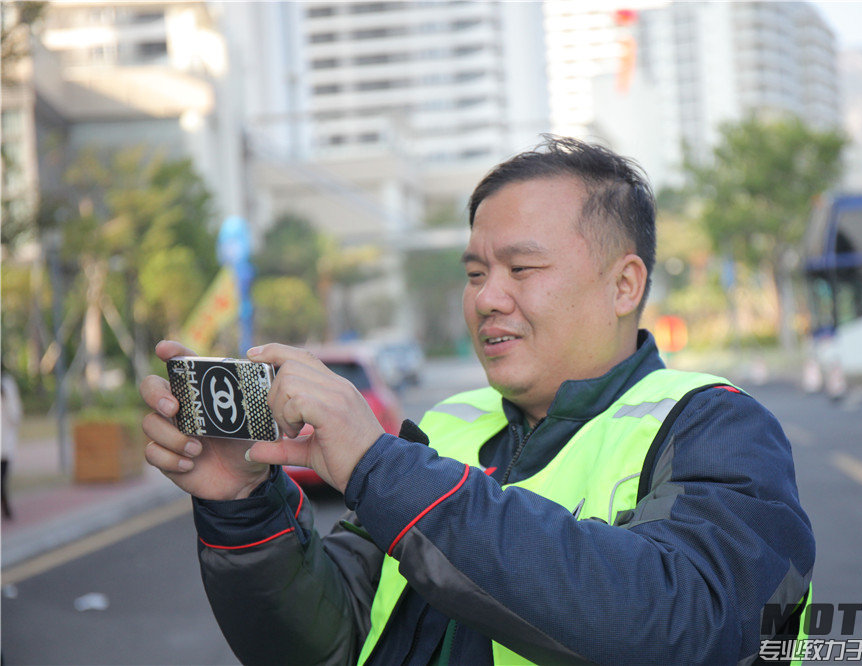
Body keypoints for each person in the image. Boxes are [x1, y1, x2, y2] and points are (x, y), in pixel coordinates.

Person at [140, 136, 814, 665]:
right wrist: (241, 507)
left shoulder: (714, 424)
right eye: (475, 272)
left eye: (521, 269)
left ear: (624, 284)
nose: (488, 297)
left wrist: (381, 467)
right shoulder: (444, 430)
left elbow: (696, 625)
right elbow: (326, 639)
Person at [1, 368, 22, 519]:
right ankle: (7, 510)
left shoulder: (6, 385)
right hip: (4, 443)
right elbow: (15, 414)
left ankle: (7, 510)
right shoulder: (7, 385)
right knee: (2, 478)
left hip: (4, 442)